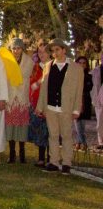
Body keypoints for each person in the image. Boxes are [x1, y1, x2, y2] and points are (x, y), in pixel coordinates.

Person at [36, 39, 84, 174]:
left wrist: (76, 109)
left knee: (67, 135)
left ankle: (67, 163)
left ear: (64, 50)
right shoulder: (48, 66)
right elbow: (44, 88)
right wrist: (40, 107)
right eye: (53, 50)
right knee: (53, 135)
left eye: (57, 50)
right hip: (51, 106)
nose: (55, 53)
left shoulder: (76, 68)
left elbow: (78, 91)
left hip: (66, 107)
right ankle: (54, 162)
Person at [5, 38, 34, 163]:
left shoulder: (28, 61)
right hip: (10, 98)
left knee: (21, 126)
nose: (16, 51)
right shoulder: (6, 61)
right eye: (14, 48)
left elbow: (23, 76)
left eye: (18, 48)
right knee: (10, 126)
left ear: (22, 49)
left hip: (22, 97)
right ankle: (12, 153)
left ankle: (22, 153)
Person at [29, 43, 51, 166]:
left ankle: (51, 157)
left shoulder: (53, 66)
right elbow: (31, 83)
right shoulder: (36, 67)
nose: (41, 54)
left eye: (44, 52)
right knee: (40, 132)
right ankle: (41, 157)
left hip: (50, 103)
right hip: (37, 102)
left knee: (50, 131)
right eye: (39, 52)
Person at [74, 56, 93, 151]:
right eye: (80, 62)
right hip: (75, 101)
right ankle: (84, 143)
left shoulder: (89, 76)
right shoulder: (73, 75)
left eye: (84, 63)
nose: (82, 65)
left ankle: (78, 143)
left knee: (82, 124)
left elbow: (88, 88)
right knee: (77, 123)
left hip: (85, 101)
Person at [91, 51, 103, 150]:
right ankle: (101, 141)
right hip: (98, 99)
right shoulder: (96, 70)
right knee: (99, 123)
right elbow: (94, 85)